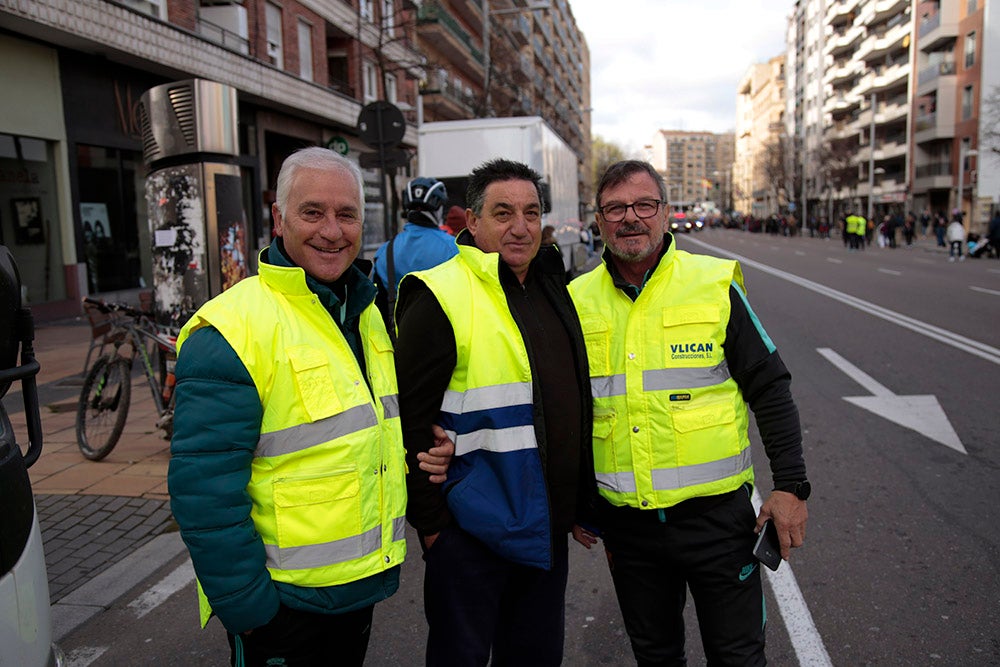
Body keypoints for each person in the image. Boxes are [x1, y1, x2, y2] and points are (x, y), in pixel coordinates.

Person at [168, 147, 453, 667]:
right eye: (312, 212)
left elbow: (371, 429)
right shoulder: (231, 330)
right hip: (282, 608)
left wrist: (430, 447)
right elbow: (204, 491)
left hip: (357, 590)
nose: (332, 230)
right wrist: (250, 611)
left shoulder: (365, 314)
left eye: (347, 215)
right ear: (279, 219)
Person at [569, 160, 809, 666]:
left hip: (719, 525)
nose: (630, 218)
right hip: (629, 530)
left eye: (643, 205)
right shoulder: (575, 300)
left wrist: (789, 486)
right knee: (656, 658)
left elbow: (770, 387)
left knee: (739, 658)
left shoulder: (714, 284)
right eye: (615, 208)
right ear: (598, 220)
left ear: (665, 213)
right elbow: (563, 409)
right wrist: (574, 498)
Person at [393, 158, 592, 666]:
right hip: (470, 537)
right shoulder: (439, 294)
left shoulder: (550, 284)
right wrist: (435, 531)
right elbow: (410, 421)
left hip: (543, 530)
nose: (520, 227)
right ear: (471, 222)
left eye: (530, 212)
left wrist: (579, 501)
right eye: (503, 213)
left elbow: (567, 402)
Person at [372, 176, 458, 331]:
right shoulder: (454, 248)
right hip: (444, 337)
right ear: (438, 208)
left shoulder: (386, 251)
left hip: (399, 341)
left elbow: (378, 307)